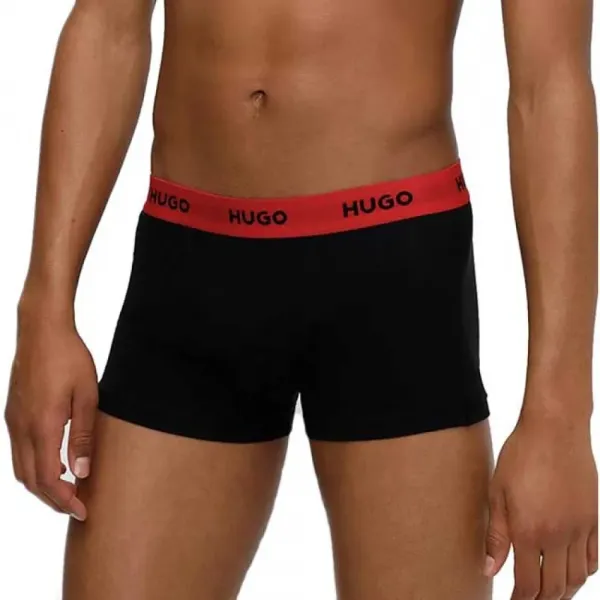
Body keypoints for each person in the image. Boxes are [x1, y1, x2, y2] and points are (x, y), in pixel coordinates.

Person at [4, 0, 598, 598]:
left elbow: (549, 86)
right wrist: (45, 310)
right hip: (189, 264)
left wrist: (559, 418)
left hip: (391, 276)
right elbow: (107, 24)